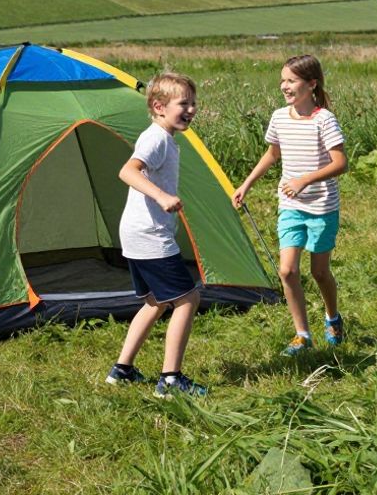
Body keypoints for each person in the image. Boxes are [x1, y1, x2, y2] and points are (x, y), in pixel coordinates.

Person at [232, 55, 348, 357]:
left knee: (320, 273)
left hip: (322, 207)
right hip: (290, 206)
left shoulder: (324, 119)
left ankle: (333, 317)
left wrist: (304, 180)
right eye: (282, 80)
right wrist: (246, 184)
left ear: (311, 84)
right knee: (286, 271)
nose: (284, 86)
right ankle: (302, 335)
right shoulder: (279, 117)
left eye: (291, 81)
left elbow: (340, 163)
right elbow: (272, 154)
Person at [105, 71, 207, 397]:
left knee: (155, 301)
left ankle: (122, 370)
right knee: (187, 299)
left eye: (193, 103)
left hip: (136, 234)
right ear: (159, 107)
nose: (191, 109)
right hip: (150, 236)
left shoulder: (163, 137)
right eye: (183, 104)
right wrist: (161, 196)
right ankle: (171, 380)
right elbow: (127, 171)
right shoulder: (156, 139)